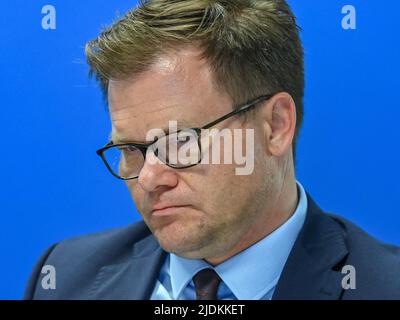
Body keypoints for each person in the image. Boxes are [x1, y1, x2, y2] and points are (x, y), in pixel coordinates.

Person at [25, 0, 400, 300]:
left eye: (180, 141)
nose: (150, 178)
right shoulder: (63, 277)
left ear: (276, 125)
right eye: (131, 149)